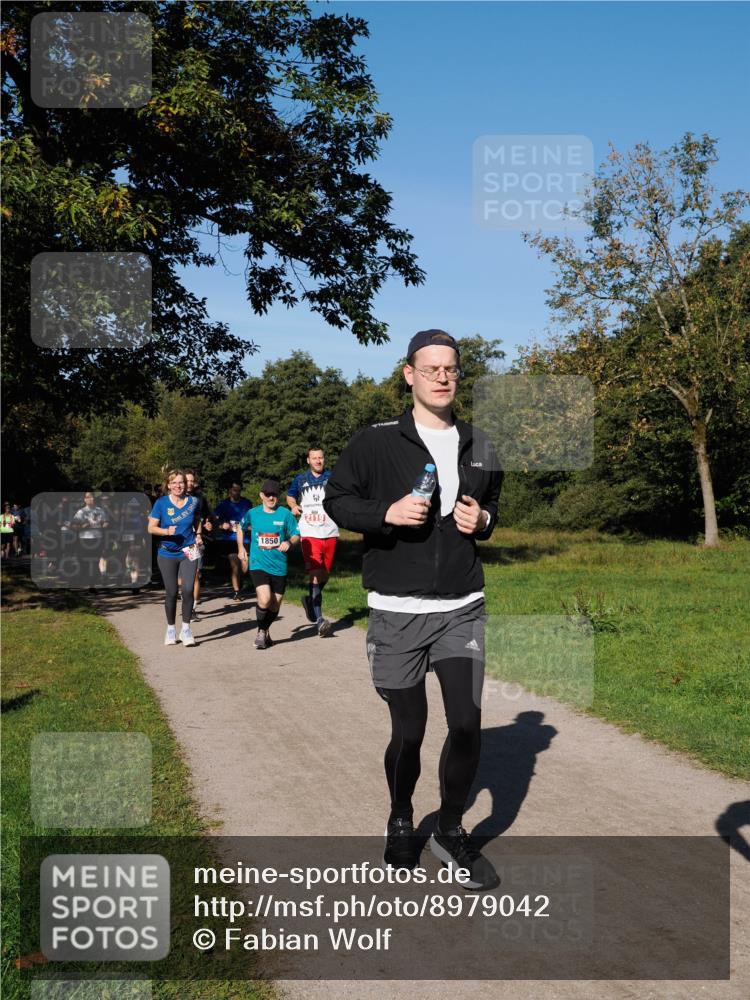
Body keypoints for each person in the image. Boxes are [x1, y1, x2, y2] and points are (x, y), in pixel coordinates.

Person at [323, 329, 503, 891]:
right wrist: (386, 514)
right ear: (409, 374)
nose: (443, 378)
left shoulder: (482, 443)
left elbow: (493, 506)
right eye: (431, 369)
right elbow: (337, 500)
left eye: (451, 369)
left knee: (468, 724)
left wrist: (486, 523)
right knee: (410, 730)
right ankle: (402, 816)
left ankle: (450, 829)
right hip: (397, 610)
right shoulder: (375, 442)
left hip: (462, 607)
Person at [236, 479, 300, 650]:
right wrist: (241, 548)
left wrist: (289, 542)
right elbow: (240, 528)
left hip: (279, 565)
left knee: (275, 604)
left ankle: (264, 631)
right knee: (264, 599)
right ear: (261, 495)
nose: (271, 498)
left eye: (274, 495)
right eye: (268, 495)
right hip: (258, 563)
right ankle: (262, 632)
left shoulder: (285, 514)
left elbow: (296, 534)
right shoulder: (253, 513)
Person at [287, 447, 339, 637]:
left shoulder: (333, 477)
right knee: (315, 573)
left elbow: (343, 494)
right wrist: (293, 506)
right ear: (308, 460)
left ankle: (310, 601)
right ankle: (319, 620)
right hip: (309, 531)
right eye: (314, 458)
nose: (318, 461)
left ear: (324, 459)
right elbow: (290, 495)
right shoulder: (301, 479)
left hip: (330, 530)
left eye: (321, 458)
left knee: (325, 574)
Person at [147, 469, 202, 647]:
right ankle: (171, 629)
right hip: (167, 552)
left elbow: (197, 520)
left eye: (181, 482)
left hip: (189, 550)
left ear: (186, 485)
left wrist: (199, 533)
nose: (178, 486)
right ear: (169, 485)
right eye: (174, 483)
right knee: (171, 592)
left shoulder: (194, 502)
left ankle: (186, 629)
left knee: (187, 589)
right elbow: (151, 528)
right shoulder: (161, 503)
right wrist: (165, 531)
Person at [213, 479, 252, 601]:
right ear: (229, 490)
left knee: (245, 567)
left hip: (245, 539)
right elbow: (214, 520)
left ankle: (239, 582)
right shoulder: (223, 504)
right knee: (235, 565)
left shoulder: (247, 503)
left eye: (239, 490)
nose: (237, 493)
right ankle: (237, 592)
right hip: (229, 539)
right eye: (235, 490)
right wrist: (221, 526)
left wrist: (250, 527)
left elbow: (252, 519)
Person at [184, 470, 213, 619]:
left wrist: (207, 524)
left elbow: (207, 516)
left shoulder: (199, 498)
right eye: (187, 480)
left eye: (192, 481)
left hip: (193, 542)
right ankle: (185, 601)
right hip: (177, 542)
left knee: (195, 575)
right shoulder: (174, 498)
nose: (189, 483)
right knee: (181, 578)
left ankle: (192, 609)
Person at [71, 491, 110, 588]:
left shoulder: (100, 510)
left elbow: (106, 523)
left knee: (96, 561)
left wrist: (103, 525)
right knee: (84, 562)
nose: (90, 499)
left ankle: (92, 583)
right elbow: (73, 525)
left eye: (91, 497)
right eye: (87, 497)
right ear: (84, 499)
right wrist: (83, 526)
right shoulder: (81, 512)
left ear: (94, 498)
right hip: (84, 539)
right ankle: (86, 580)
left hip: (97, 538)